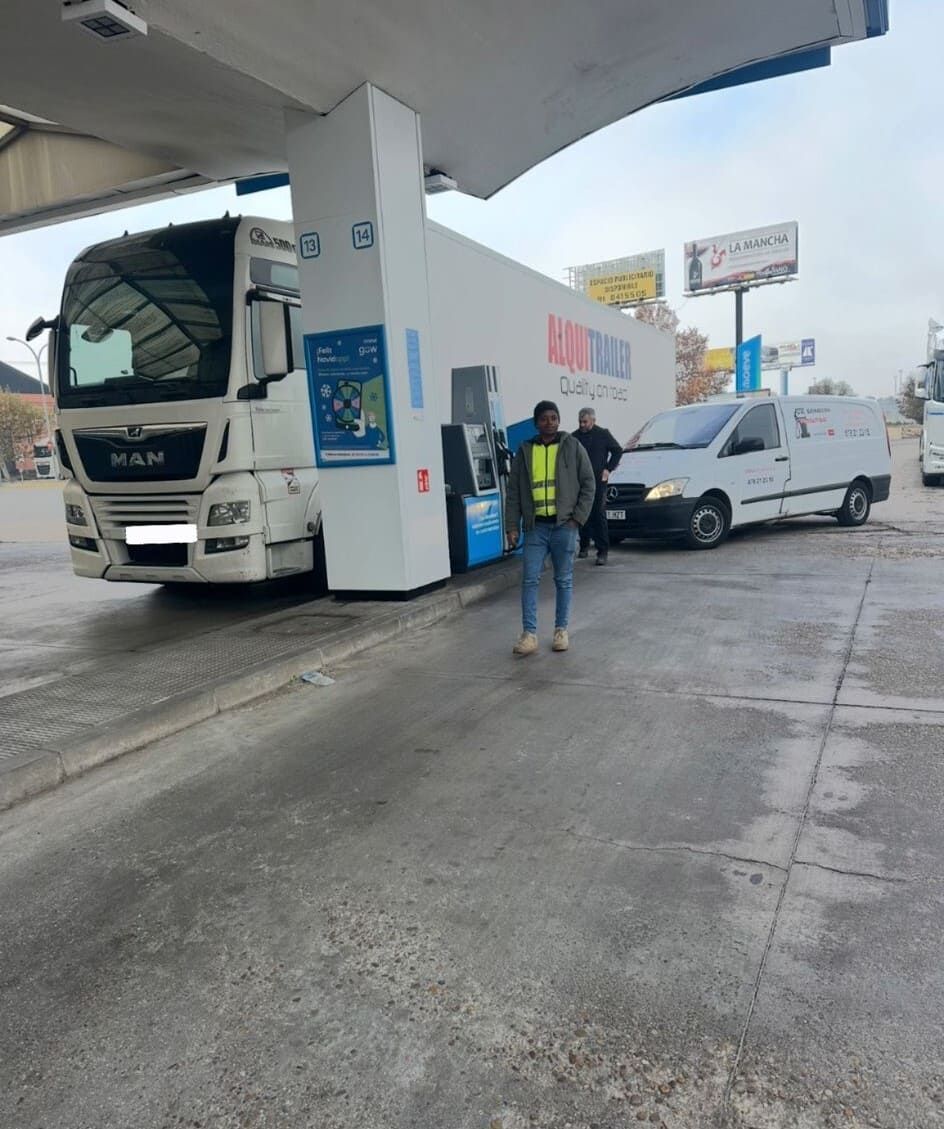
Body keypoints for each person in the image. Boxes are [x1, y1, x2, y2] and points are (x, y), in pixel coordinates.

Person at [505, 400, 596, 655]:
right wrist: (512, 525)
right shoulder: (525, 451)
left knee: (563, 580)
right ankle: (529, 634)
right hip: (536, 528)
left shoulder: (572, 447)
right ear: (536, 423)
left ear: (559, 420)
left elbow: (589, 484)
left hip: (564, 527)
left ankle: (560, 631)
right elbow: (513, 493)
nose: (550, 422)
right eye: (544, 418)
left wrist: (577, 518)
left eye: (554, 418)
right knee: (529, 579)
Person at [572, 407, 623, 564]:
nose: (582, 425)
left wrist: (608, 469)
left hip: (598, 482)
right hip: (579, 482)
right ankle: (584, 546)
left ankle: (602, 551)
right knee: (582, 514)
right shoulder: (574, 437)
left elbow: (617, 451)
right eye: (580, 422)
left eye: (585, 422)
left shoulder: (603, 434)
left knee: (598, 515)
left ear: (593, 421)